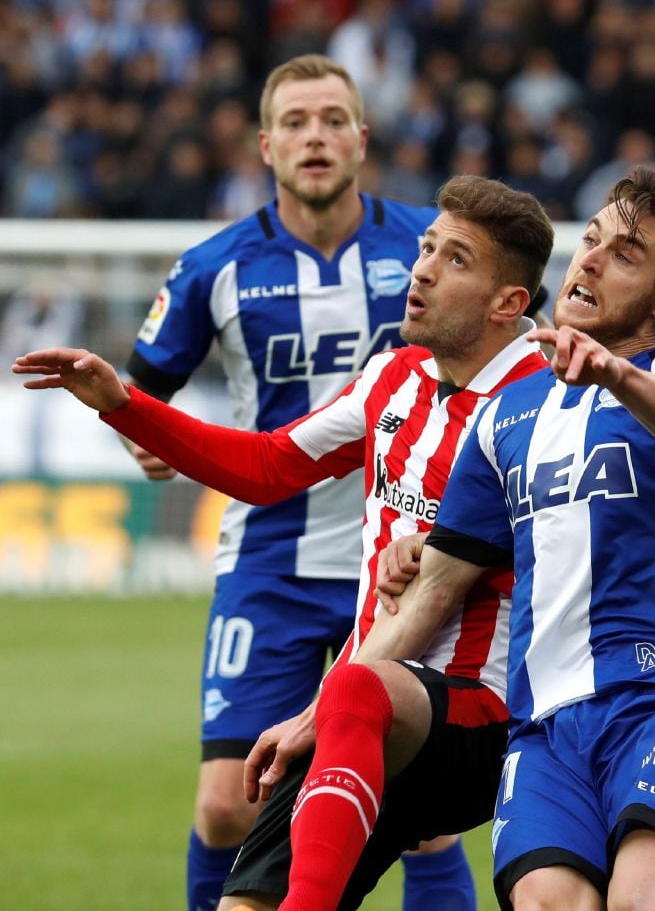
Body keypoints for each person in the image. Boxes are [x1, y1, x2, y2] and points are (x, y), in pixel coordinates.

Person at [13, 173, 556, 911]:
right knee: (245, 895)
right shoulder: (392, 377)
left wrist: (452, 540)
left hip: (478, 715)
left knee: (359, 694)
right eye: (426, 247)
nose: (422, 267)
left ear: (508, 303)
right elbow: (268, 466)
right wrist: (124, 404)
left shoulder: (547, 400)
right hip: (363, 712)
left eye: (455, 258)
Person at [119, 52, 460, 911]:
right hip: (270, 558)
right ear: (265, 146)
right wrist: (146, 444)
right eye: (297, 123)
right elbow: (141, 384)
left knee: (429, 816)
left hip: (408, 561)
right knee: (229, 804)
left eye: (334, 119)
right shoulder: (214, 265)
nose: (317, 136)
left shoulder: (429, 248)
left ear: (363, 138)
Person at [375, 165, 655, 911]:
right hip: (545, 724)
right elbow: (434, 593)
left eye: (625, 253)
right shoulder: (506, 414)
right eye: (591, 239)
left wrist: (618, 374)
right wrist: (318, 710)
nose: (589, 260)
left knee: (647, 898)